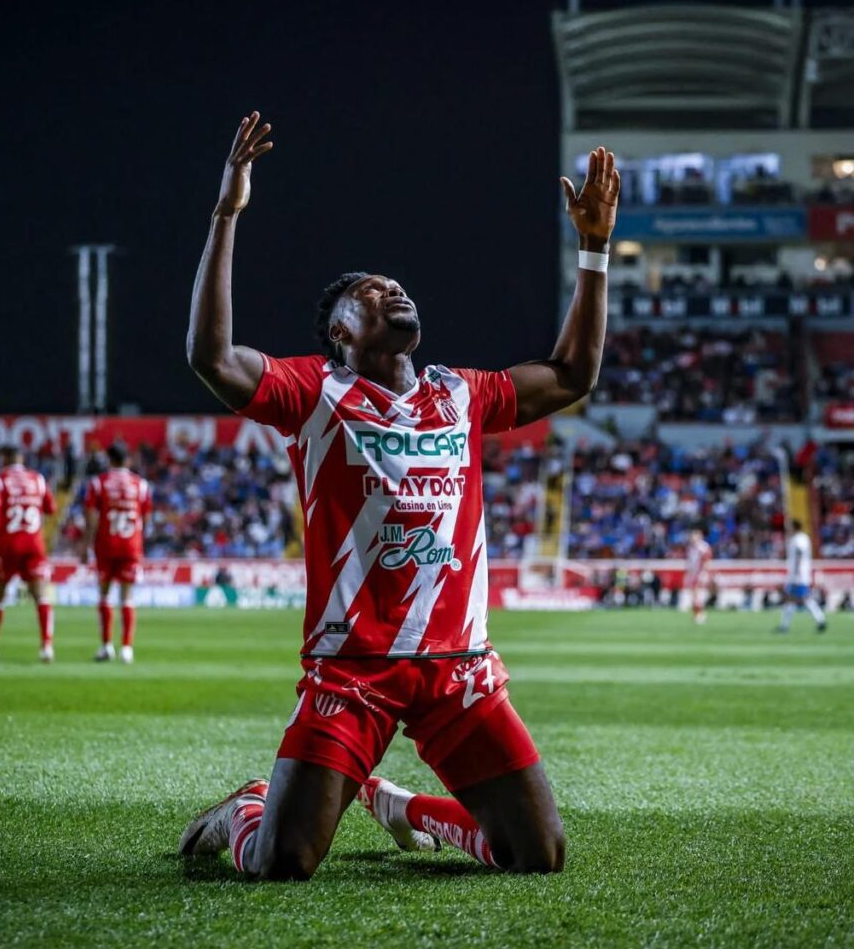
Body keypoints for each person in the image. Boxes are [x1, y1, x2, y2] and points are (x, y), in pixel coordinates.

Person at [178, 112, 618, 879]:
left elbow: (574, 374)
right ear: (339, 334)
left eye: (396, 287)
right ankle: (245, 808)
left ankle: (398, 804)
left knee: (537, 855)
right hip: (354, 668)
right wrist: (226, 213)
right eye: (369, 293)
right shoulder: (315, 392)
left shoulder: (463, 393)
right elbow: (210, 356)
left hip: (459, 669)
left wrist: (595, 249)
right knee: (283, 861)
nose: (391, 291)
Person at [0, 446, 57, 661]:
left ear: (4, 458)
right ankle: (46, 646)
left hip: (9, 544)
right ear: (22, 458)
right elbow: (52, 508)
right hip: (33, 543)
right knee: (40, 595)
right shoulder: (37, 479)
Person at [81, 444, 152, 664]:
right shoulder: (140, 485)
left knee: (104, 595)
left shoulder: (98, 483)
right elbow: (146, 518)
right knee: (127, 597)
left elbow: (91, 517)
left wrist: (86, 545)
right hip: (131, 546)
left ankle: (106, 646)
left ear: (109, 460)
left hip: (106, 545)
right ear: (128, 460)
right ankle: (127, 649)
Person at [776, 520, 826, 634]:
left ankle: (820, 620)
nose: (788, 529)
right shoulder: (801, 538)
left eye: (790, 527)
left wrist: (797, 571)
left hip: (798, 575)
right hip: (798, 574)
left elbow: (799, 553)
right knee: (794, 600)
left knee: (800, 599)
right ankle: (785, 625)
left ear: (795, 527)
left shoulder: (799, 539)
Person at [684, 526, 712, 624]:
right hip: (692, 574)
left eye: (694, 535)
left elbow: (707, 560)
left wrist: (705, 573)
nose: (692, 537)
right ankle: (697, 615)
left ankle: (701, 615)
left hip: (700, 573)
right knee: (693, 595)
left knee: (696, 595)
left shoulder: (703, 547)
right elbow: (689, 562)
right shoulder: (690, 547)